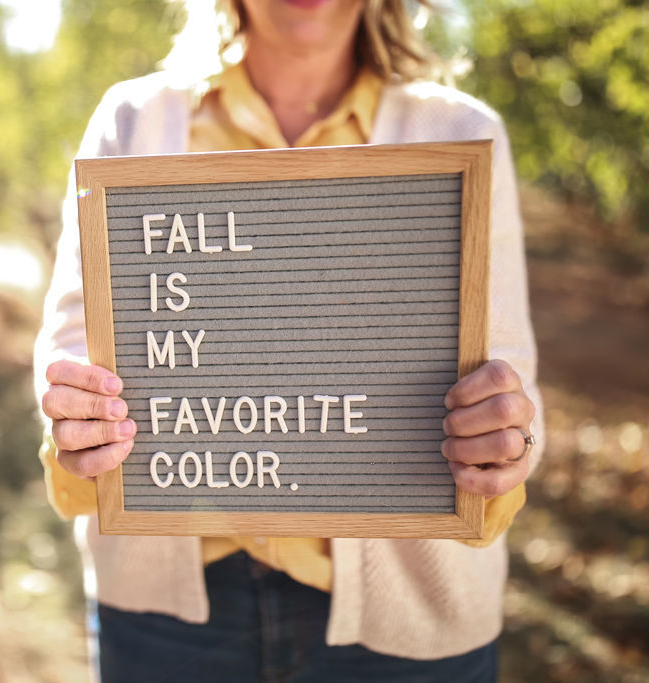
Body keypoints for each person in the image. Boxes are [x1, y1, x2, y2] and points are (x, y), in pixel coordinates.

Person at [34, 0, 545, 680]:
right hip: (169, 626)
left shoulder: (460, 133)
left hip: (404, 634)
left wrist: (504, 440)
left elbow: (511, 382)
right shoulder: (133, 122)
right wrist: (76, 421)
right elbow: (69, 353)